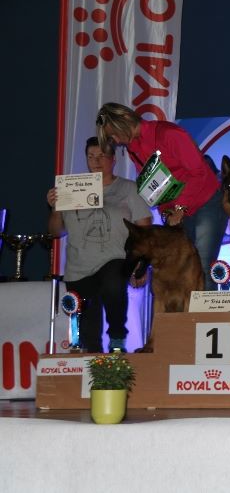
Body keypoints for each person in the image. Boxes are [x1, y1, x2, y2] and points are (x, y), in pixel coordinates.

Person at [95, 103, 226, 291]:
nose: (115, 140)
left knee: (203, 267)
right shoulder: (133, 149)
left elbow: (199, 173)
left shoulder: (170, 134)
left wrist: (180, 208)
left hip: (206, 202)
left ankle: (204, 320)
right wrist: (166, 213)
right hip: (179, 211)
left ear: (124, 121)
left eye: (114, 134)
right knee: (183, 270)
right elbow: (156, 186)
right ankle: (186, 319)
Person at [46, 137, 152, 352]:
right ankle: (93, 362)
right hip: (79, 266)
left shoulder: (129, 188)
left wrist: (142, 264)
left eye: (102, 155)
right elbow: (56, 232)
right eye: (91, 156)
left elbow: (145, 229)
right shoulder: (72, 188)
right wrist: (56, 208)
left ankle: (117, 339)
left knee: (113, 283)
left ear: (113, 159)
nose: (96, 161)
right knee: (88, 332)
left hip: (115, 258)